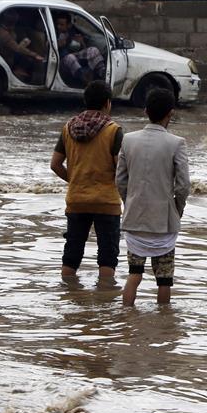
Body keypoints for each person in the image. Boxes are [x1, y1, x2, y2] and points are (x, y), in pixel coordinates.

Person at [116, 89, 191, 306]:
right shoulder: (177, 142)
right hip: (164, 221)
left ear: (146, 111)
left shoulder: (128, 140)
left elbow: (120, 180)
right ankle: (164, 323)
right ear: (171, 113)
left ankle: (126, 318)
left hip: (135, 218)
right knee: (164, 280)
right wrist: (177, 209)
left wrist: (128, 202)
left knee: (134, 274)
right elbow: (183, 185)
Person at [50, 80, 124, 285]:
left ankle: (68, 295)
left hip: (76, 200)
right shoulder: (113, 130)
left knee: (72, 253)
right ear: (107, 103)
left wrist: (74, 179)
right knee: (107, 256)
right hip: (106, 202)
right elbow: (120, 169)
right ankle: (105, 301)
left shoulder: (68, 128)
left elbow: (55, 164)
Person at [0, 11, 45, 81]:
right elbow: (18, 49)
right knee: (29, 59)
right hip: (7, 58)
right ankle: (19, 73)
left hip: (4, 53)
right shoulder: (5, 36)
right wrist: (35, 55)